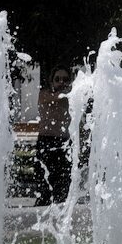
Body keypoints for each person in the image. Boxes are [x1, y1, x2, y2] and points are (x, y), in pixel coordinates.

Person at [34, 65, 72, 205]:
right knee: (43, 185)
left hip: (64, 143)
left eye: (65, 79)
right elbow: (55, 98)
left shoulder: (71, 97)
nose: (61, 82)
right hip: (45, 142)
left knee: (63, 187)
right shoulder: (44, 94)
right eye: (57, 79)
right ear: (52, 82)